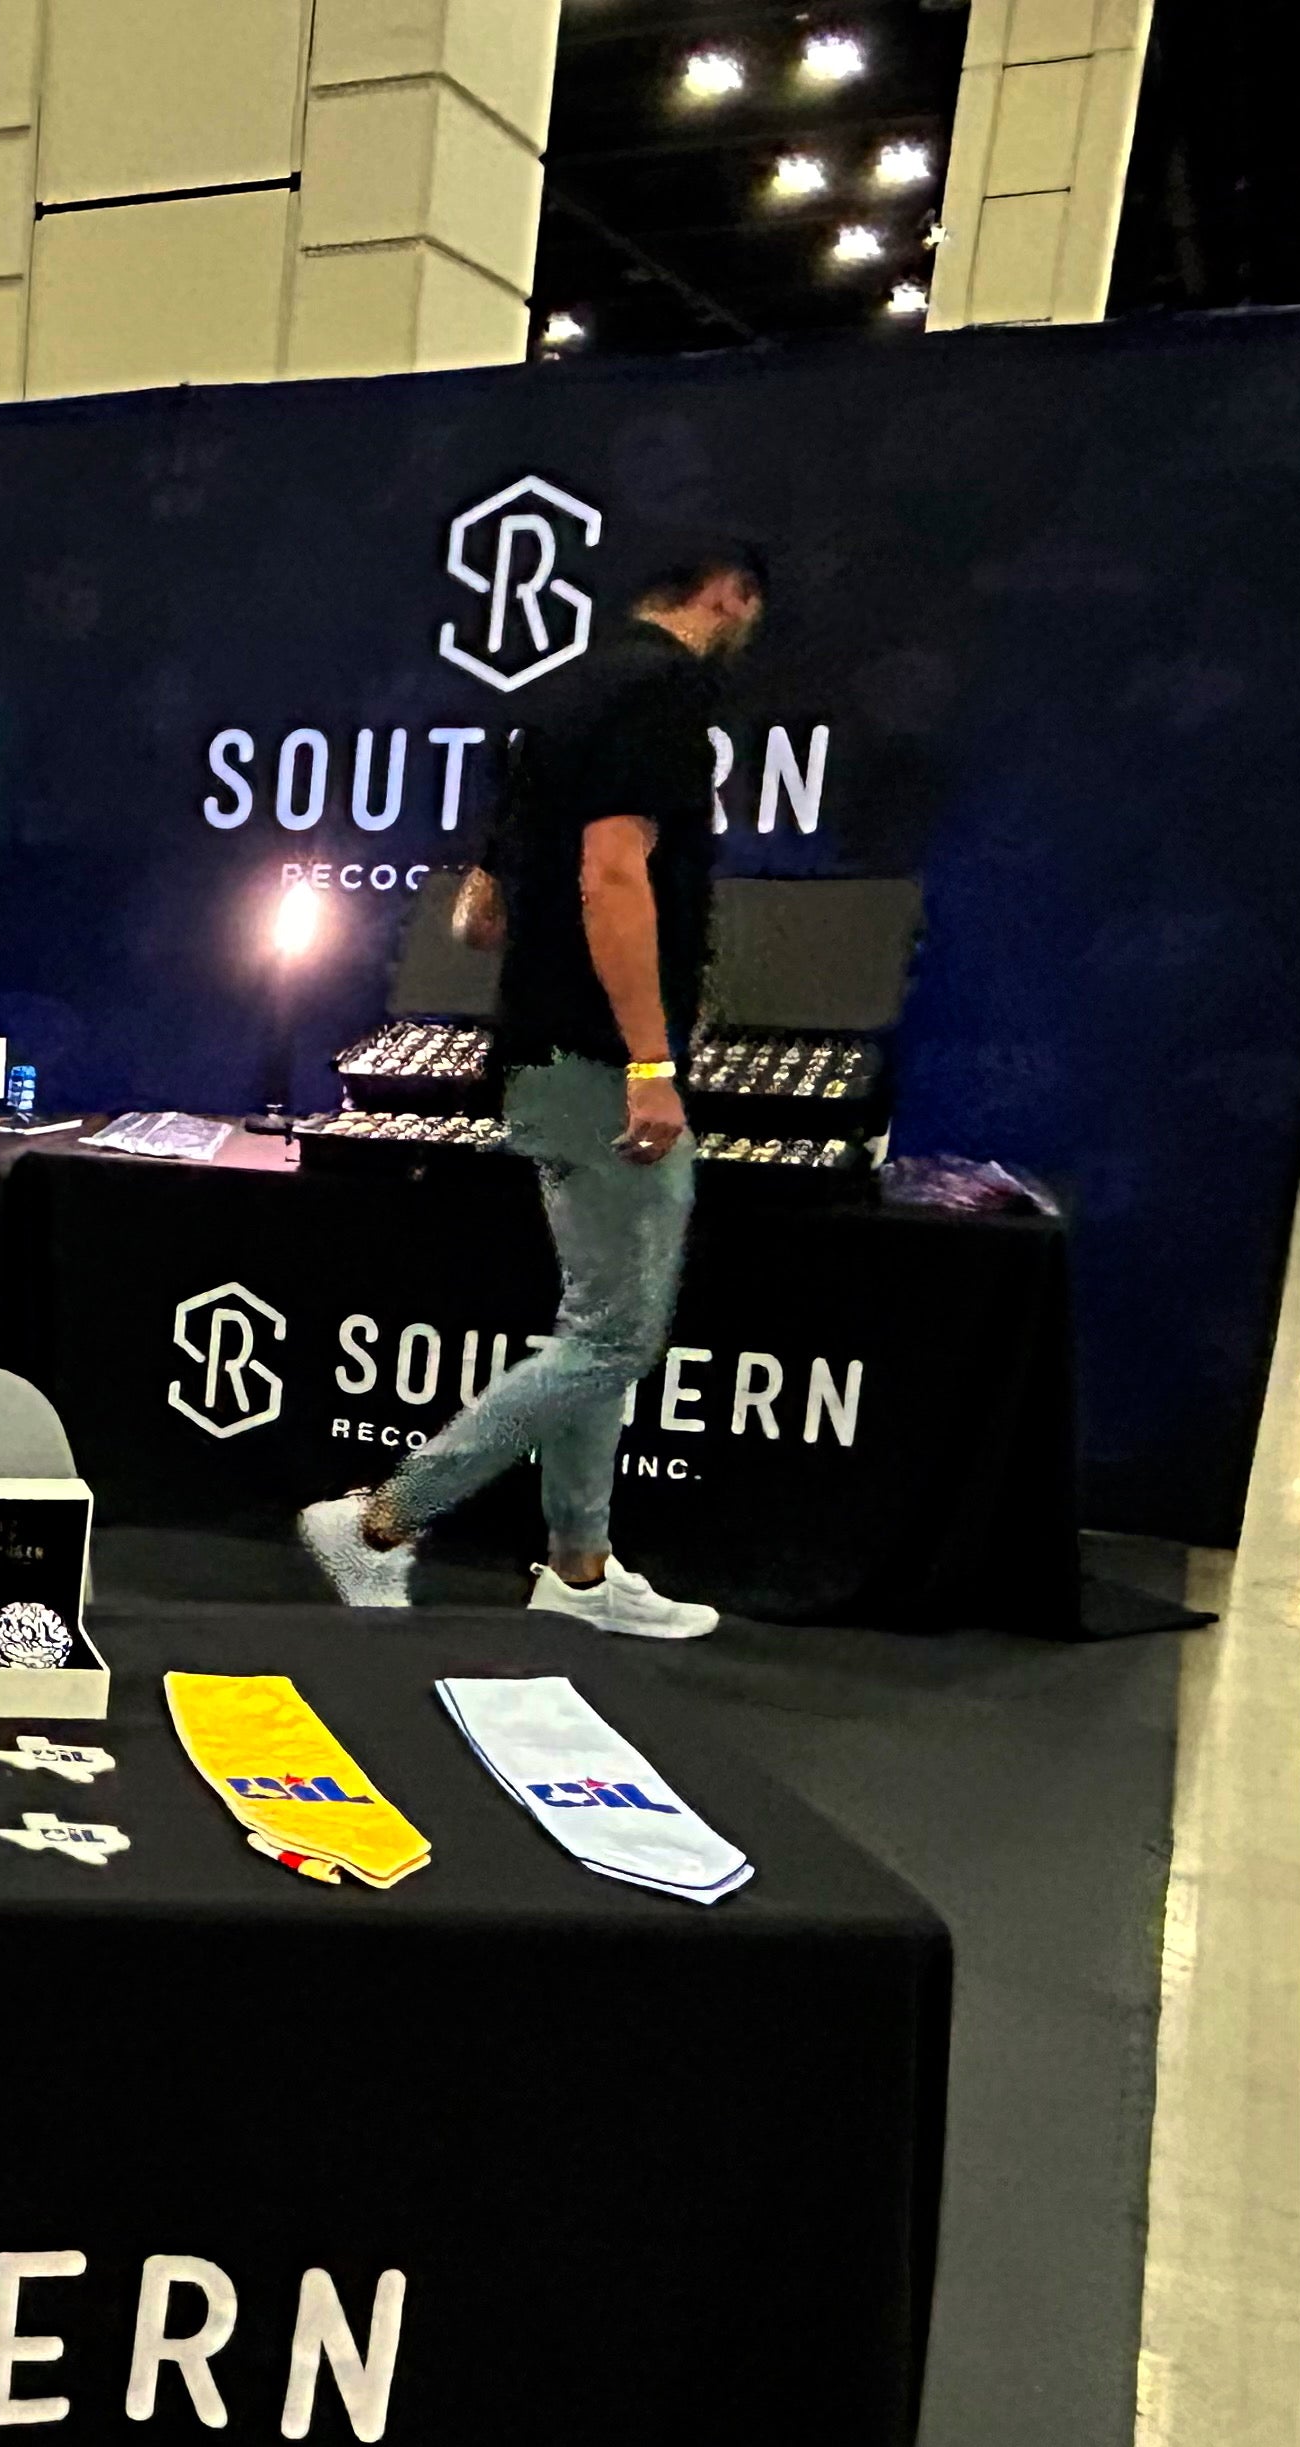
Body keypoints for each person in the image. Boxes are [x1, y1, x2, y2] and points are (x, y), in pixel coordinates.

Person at [296, 539, 770, 1640]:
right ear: (725, 594)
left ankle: (579, 1569)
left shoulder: (556, 700)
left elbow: (481, 915)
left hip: (540, 1055)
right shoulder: (664, 692)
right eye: (749, 609)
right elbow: (613, 874)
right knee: (613, 1339)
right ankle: (378, 1522)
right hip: (601, 1061)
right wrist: (650, 1060)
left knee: (597, 1330)